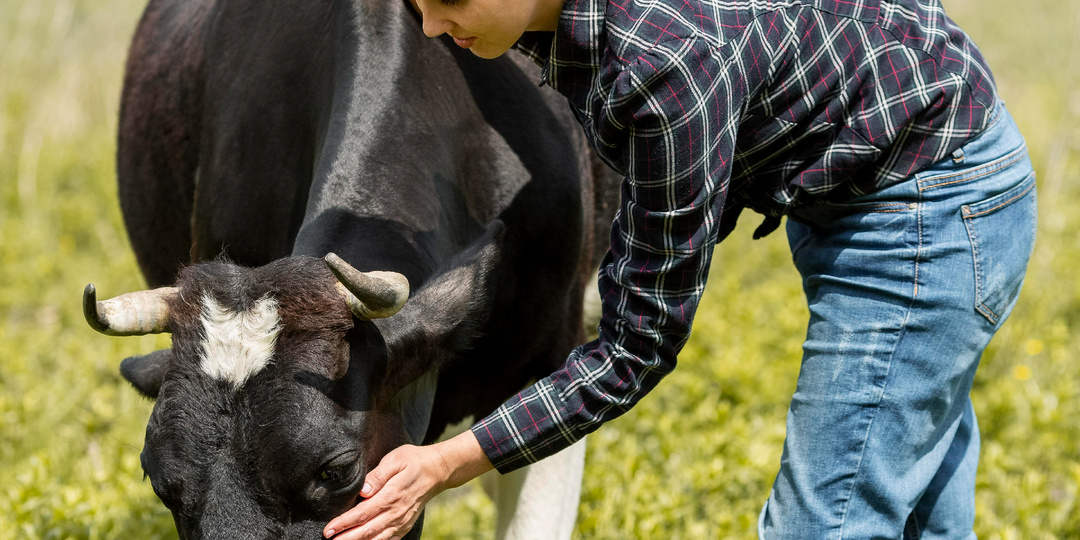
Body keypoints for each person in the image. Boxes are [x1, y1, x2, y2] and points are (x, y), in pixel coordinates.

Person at [324, 0, 1037, 537]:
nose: (431, 26)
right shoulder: (578, 29)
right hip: (874, 178)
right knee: (924, 519)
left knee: (828, 522)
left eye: (450, 0)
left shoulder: (663, 63)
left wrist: (442, 464)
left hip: (928, 211)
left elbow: (637, 347)